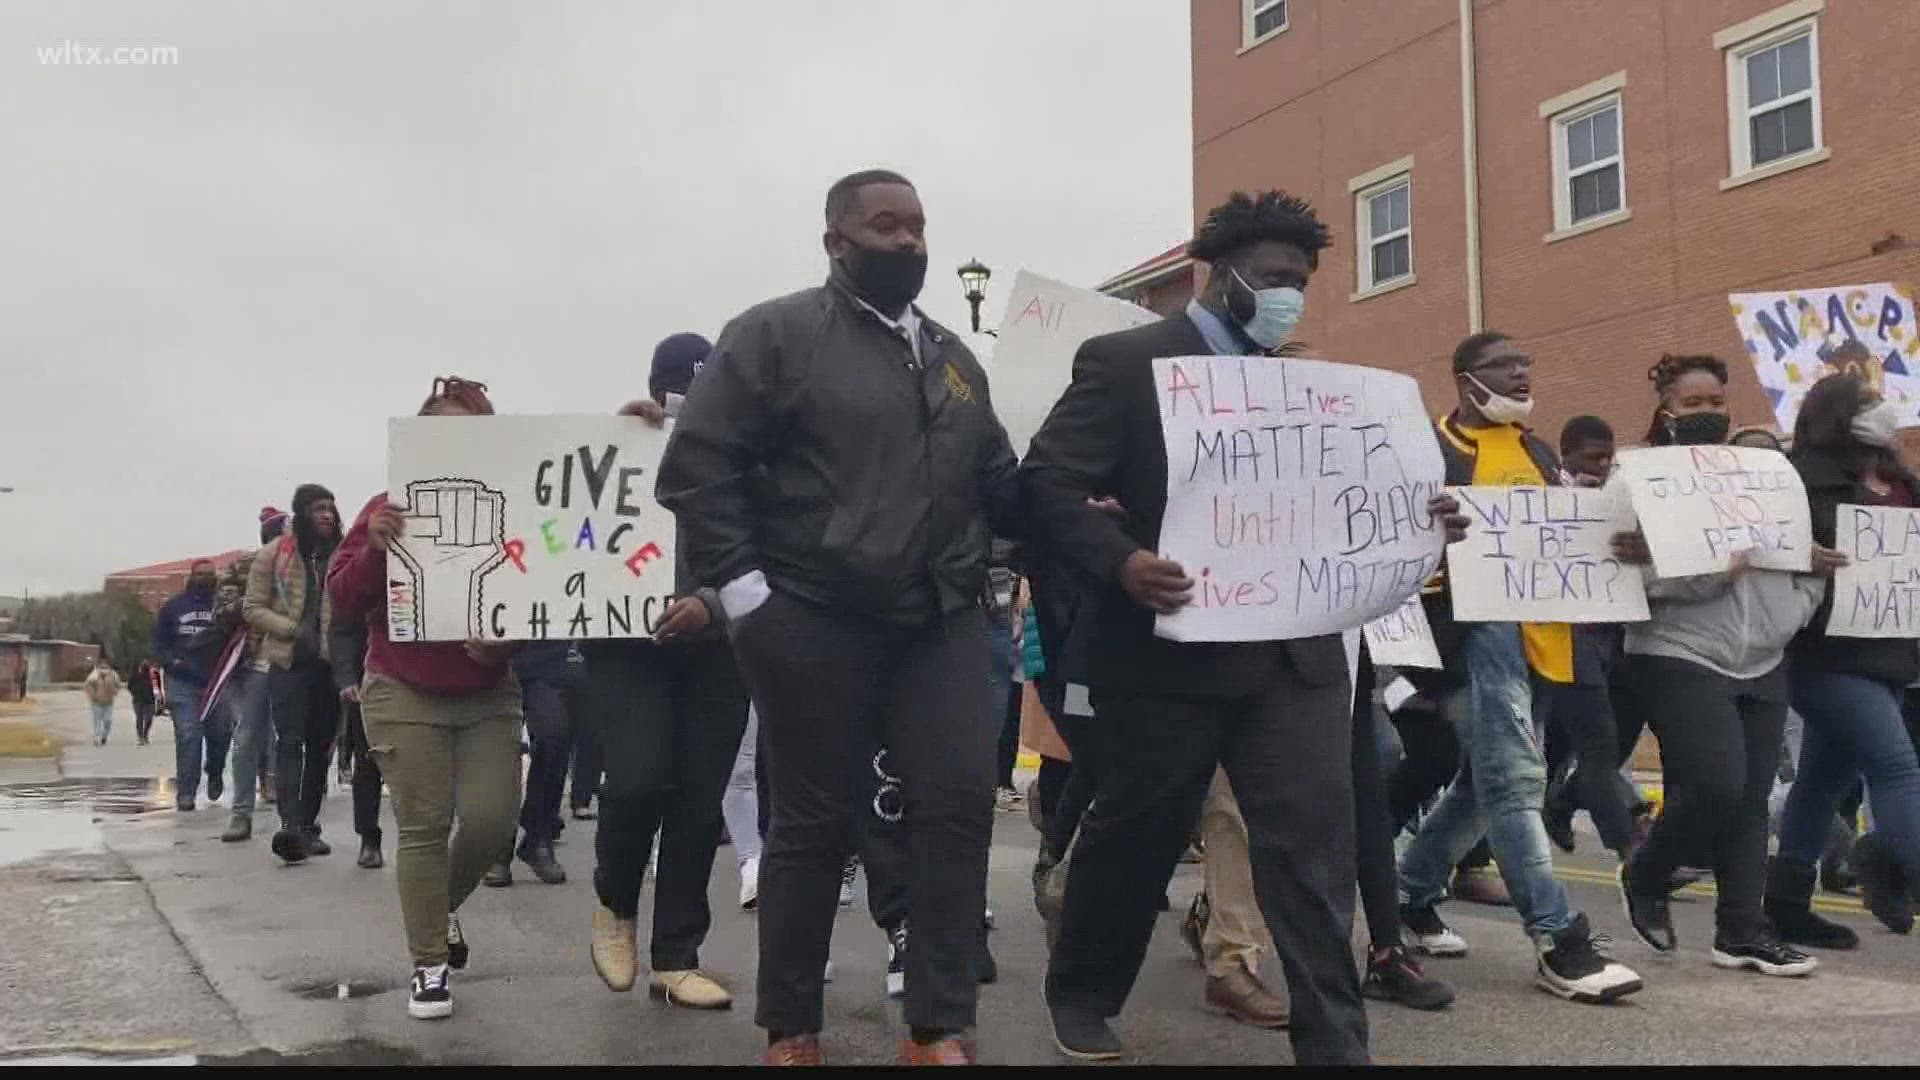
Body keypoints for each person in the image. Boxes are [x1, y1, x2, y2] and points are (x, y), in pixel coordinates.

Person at [1019, 189, 1468, 1065]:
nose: (1286, 294)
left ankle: (1336, 1042)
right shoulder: (1123, 362)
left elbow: (1376, 490)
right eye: (1270, 278)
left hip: (1296, 661)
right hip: (1165, 657)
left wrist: (1428, 511)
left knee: (1310, 855)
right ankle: (1082, 991)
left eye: (1299, 280)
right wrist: (1122, 560)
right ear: (1212, 276)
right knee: (1136, 835)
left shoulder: (1313, 387)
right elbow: (1042, 486)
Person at [657, 171, 1016, 1066]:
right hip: (813, 619)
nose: (907, 243)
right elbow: (699, 468)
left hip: (939, 622)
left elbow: (999, 485)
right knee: (813, 825)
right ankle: (793, 1027)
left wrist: (1093, 509)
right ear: (836, 241)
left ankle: (939, 1025)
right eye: (884, 225)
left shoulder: (953, 360)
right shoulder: (775, 336)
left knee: (956, 808)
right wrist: (751, 604)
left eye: (919, 226)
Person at [1398, 331, 1644, 1004]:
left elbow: (1563, 539)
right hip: (1471, 637)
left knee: (1483, 786)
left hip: (1541, 637)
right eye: (1503, 366)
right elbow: (1392, 534)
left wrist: (1617, 545)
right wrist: (1429, 531)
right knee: (1514, 779)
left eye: (1525, 364)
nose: (1519, 374)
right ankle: (1559, 939)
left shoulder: (1535, 449)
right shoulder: (1431, 449)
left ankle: (1408, 893)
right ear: (1464, 379)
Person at [1611, 354, 1834, 976]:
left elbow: (1800, 555)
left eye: (1715, 404)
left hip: (1764, 654)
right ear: (1666, 410)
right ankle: (1648, 872)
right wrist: (1707, 573)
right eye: (1691, 405)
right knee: (1715, 783)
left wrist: (1799, 600)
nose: (1706, 414)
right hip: (1677, 651)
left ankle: (1742, 930)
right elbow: (1620, 576)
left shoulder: (1768, 475)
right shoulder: (1636, 480)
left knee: (1751, 800)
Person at [327, 375, 524, 1022]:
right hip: (401, 687)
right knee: (424, 825)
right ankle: (430, 965)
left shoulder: (512, 503)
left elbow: (545, 598)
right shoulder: (387, 506)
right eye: (438, 427)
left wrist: (503, 647)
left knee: (495, 820)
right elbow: (344, 599)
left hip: (485, 692)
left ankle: (436, 915)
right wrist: (376, 551)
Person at [582, 335, 753, 1011]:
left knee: (697, 802)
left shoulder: (748, 459)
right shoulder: (625, 444)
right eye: (678, 388)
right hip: (628, 649)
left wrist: (709, 608)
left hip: (717, 647)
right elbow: (574, 536)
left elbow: (769, 549)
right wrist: (618, 440)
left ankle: (677, 956)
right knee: (634, 780)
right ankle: (614, 905)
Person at [1768, 372, 1920, 945]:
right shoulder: (1803, 481)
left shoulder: (1901, 480)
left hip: (1892, 653)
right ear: (1838, 415)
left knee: (1821, 782)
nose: (1882, 411)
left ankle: (1784, 903)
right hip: (1826, 652)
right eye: (1868, 403)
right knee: (1897, 766)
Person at [1539, 415, 1638, 863]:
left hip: (1615, 637)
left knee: (1579, 745)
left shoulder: (1618, 499)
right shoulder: (1549, 497)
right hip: (1566, 638)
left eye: (1608, 458)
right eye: (1592, 457)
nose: (1601, 466)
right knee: (1595, 744)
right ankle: (1630, 846)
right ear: (1567, 456)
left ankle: (1556, 803)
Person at [245, 483, 344, 864]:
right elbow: (252, 607)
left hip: (331, 664)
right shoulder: (274, 555)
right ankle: (290, 826)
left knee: (321, 748)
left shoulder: (344, 554)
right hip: (289, 663)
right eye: (319, 508)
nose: (328, 515)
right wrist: (289, 628)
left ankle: (308, 826)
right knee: (289, 743)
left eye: (332, 509)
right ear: (301, 513)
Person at [153, 559, 233, 811]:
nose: (204, 578)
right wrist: (171, 662)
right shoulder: (174, 607)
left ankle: (215, 771)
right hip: (182, 681)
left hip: (217, 681)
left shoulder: (225, 607)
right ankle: (186, 792)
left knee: (221, 733)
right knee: (188, 735)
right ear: (191, 576)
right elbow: (158, 643)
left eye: (209, 574)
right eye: (200, 574)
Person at [328, 591, 384, 868]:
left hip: (426, 674)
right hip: (369, 677)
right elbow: (343, 627)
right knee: (367, 759)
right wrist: (346, 677)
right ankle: (369, 838)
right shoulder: (364, 555)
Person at [84, 658, 121, 747]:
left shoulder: (113, 675)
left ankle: (104, 736)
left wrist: (114, 692)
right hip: (97, 703)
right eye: (102, 667)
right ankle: (96, 738)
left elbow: (117, 685)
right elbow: (88, 686)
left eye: (106, 667)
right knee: (97, 721)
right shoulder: (94, 675)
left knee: (108, 721)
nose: (104, 669)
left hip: (108, 703)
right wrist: (93, 696)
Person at [130, 660, 157, 747]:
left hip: (150, 700)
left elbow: (157, 686)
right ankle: (140, 737)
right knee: (140, 718)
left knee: (149, 718)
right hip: (138, 700)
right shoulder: (135, 676)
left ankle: (145, 734)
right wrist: (135, 693)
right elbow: (129, 686)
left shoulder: (152, 677)